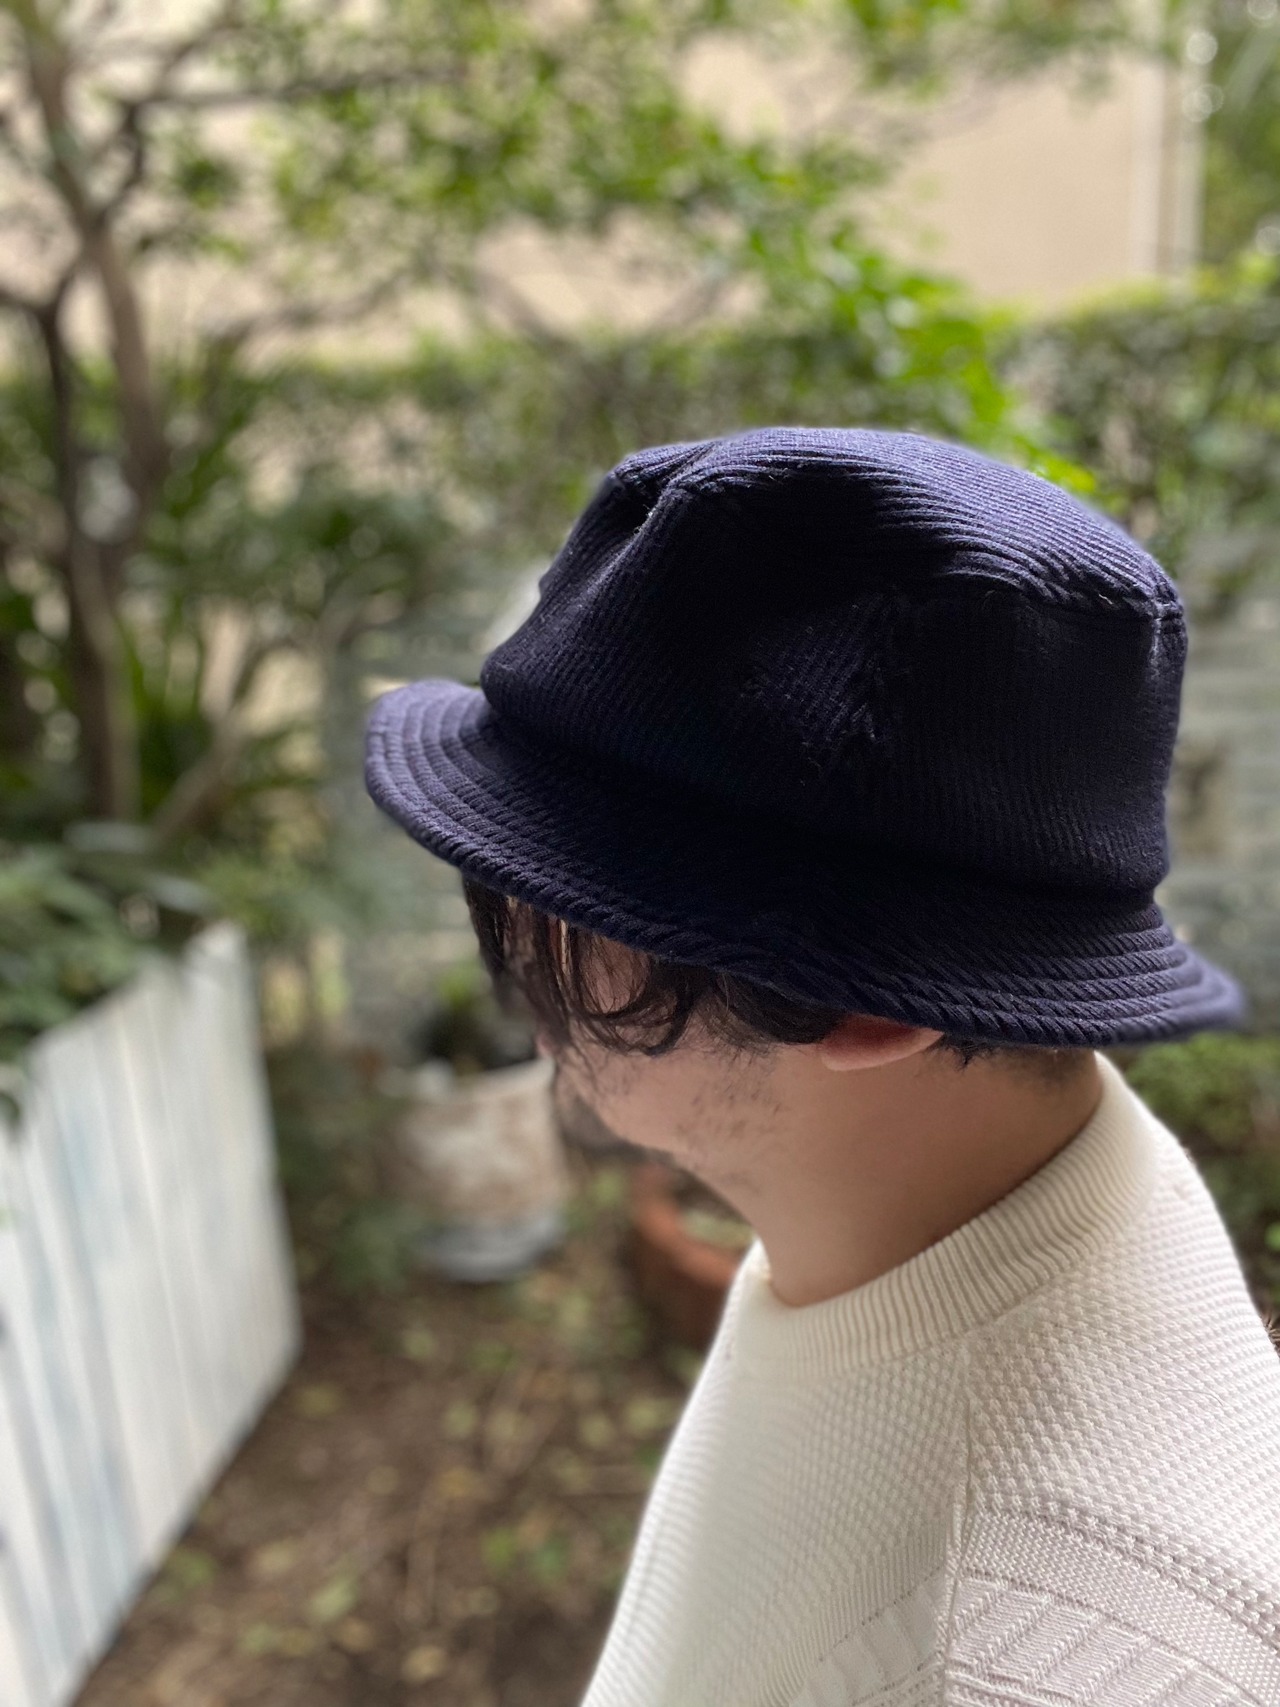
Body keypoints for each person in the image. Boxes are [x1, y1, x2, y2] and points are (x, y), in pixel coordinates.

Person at [365, 427, 1280, 1705]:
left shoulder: (1005, 1655)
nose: (509, 929)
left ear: (855, 1003)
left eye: (560, 881)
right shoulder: (925, 1222)